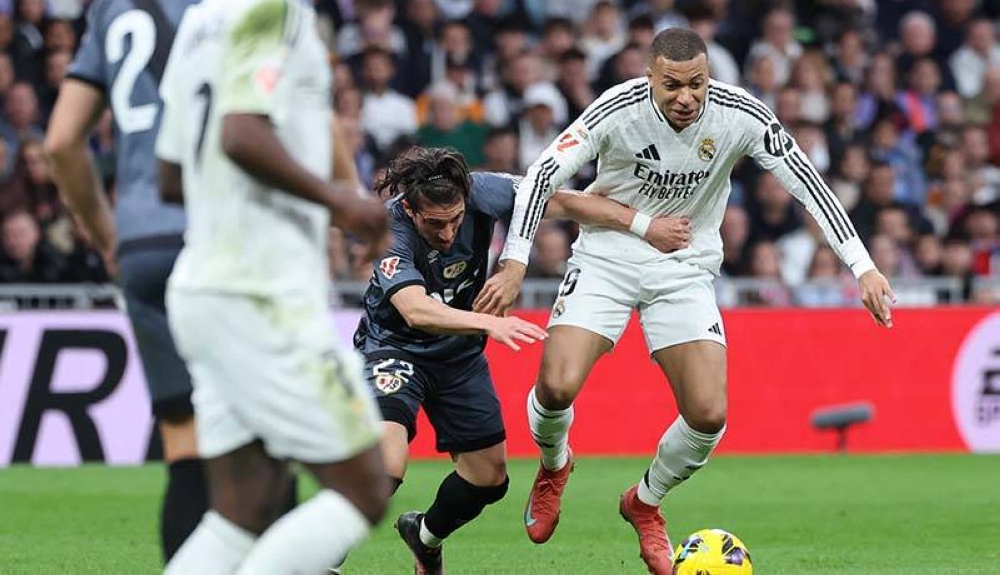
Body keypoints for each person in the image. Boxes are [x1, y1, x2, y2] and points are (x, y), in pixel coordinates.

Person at [475, 28, 896, 574]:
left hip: (684, 267)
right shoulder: (617, 109)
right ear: (650, 76)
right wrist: (515, 261)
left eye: (696, 84)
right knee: (556, 387)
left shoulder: (740, 114)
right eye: (672, 85)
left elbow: (808, 184)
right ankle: (555, 464)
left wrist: (862, 266)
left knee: (708, 413)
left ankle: (644, 501)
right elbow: (541, 176)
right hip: (606, 258)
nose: (686, 97)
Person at [349, 146, 691, 575]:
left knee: (488, 479)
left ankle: (424, 536)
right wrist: (489, 324)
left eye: (456, 220)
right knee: (386, 465)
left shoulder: (484, 191)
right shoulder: (388, 227)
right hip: (395, 348)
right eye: (435, 223)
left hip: (458, 356)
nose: (449, 233)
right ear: (411, 210)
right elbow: (415, 309)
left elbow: (564, 202)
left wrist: (645, 225)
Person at [155, 1, 392, 573]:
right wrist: (341, 203)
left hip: (204, 286)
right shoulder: (274, 10)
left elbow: (171, 175)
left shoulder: (199, 22)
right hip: (262, 292)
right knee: (364, 489)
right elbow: (240, 134)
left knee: (244, 510)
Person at [43, 0, 207, 561]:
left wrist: (107, 235)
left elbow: (61, 142)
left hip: (141, 242)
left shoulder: (111, 9)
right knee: (256, 442)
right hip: (217, 234)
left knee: (184, 445)